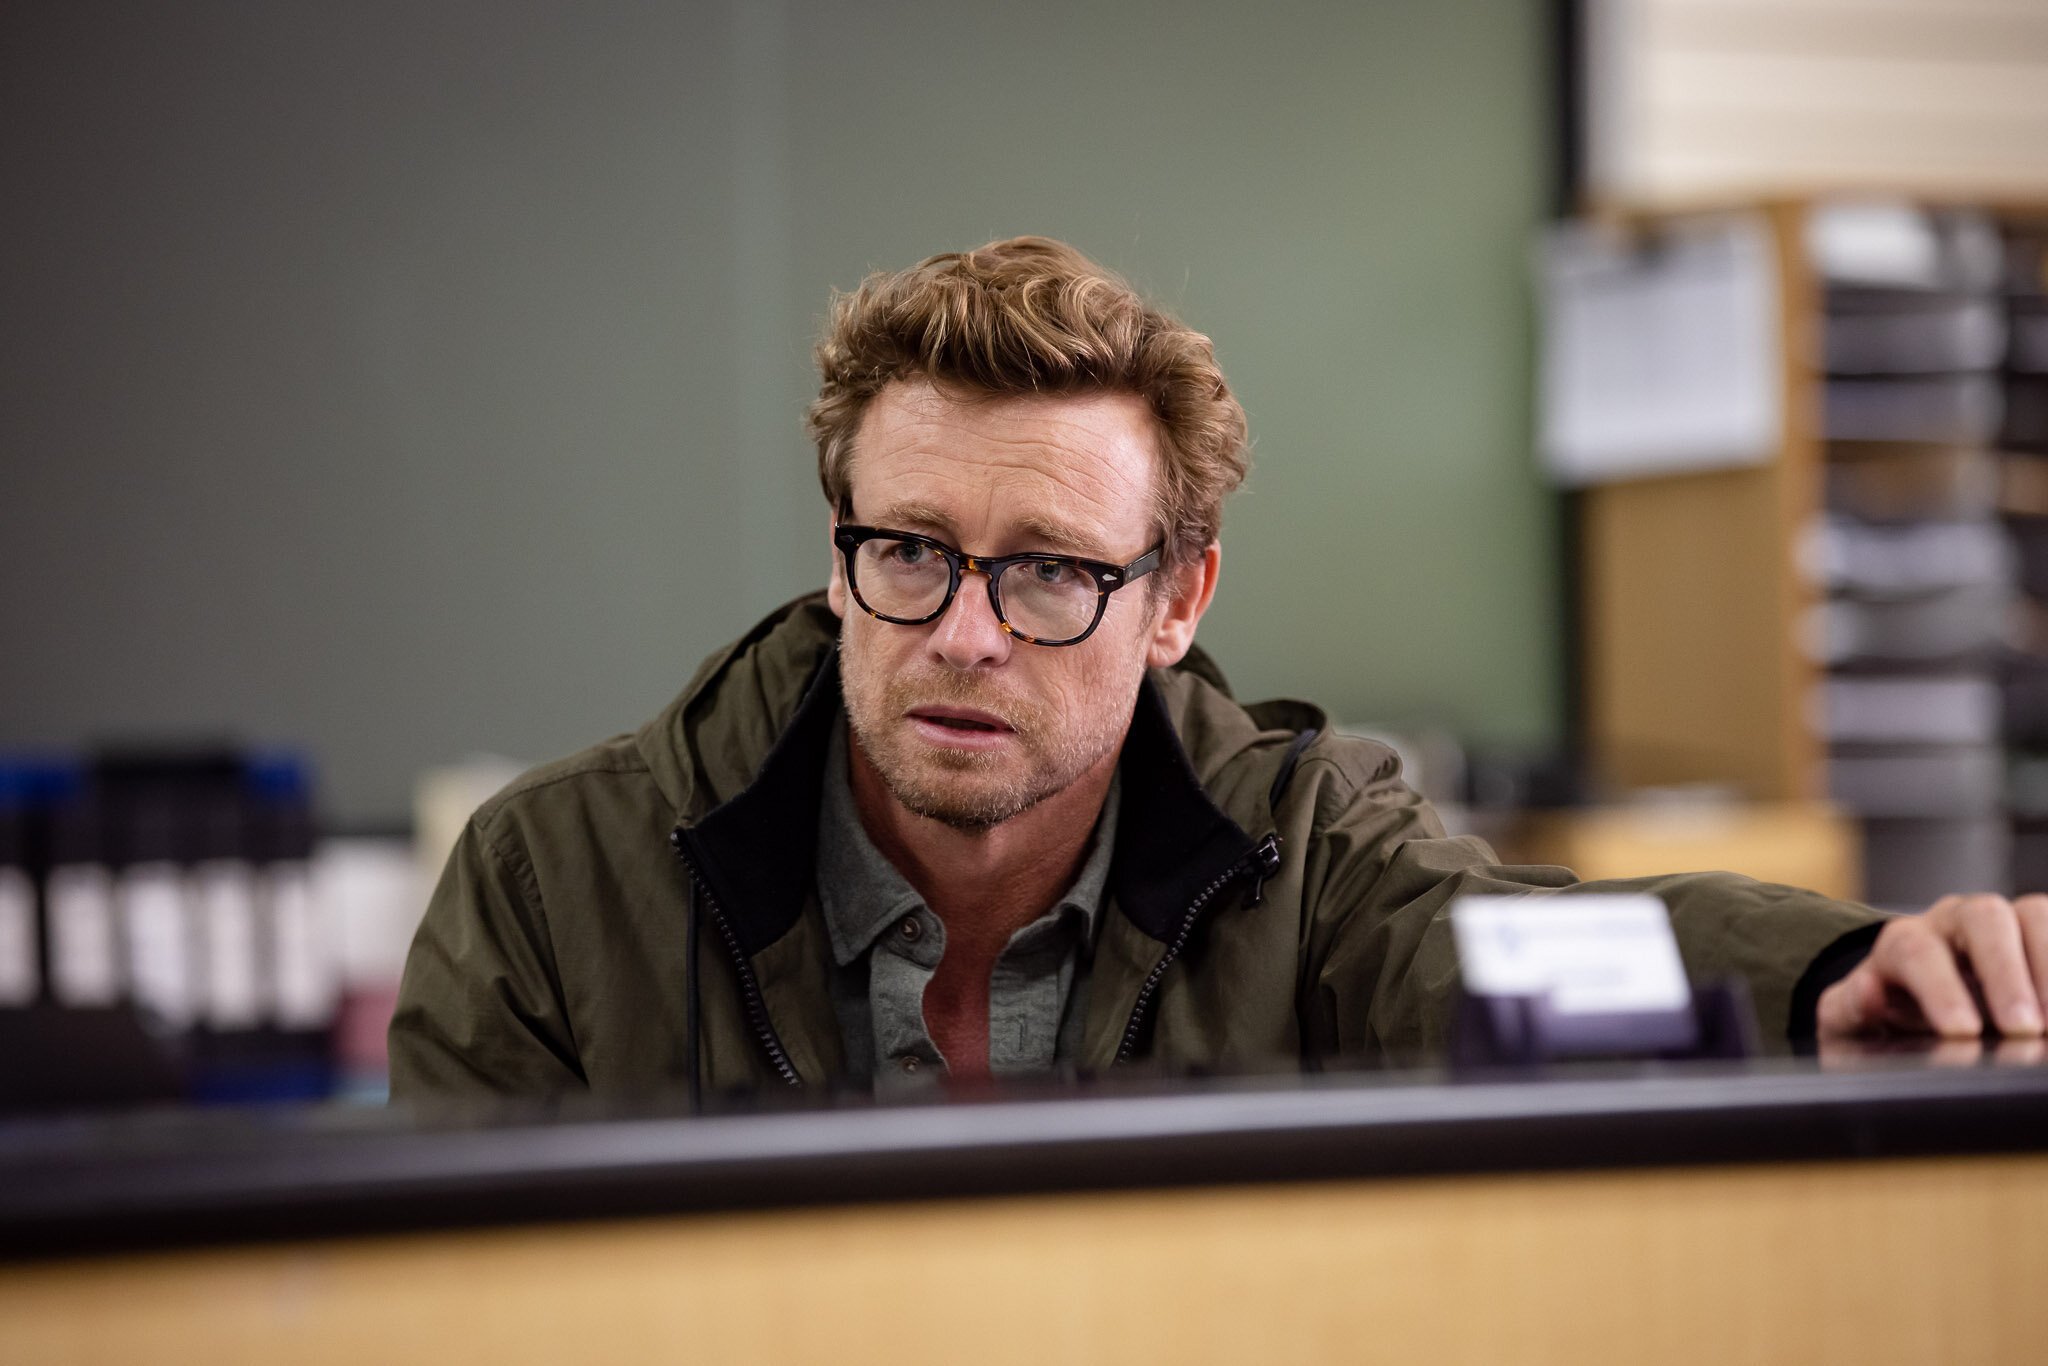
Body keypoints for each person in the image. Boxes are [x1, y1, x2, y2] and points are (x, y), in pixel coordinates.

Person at [389, 237, 2048, 1098]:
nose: (962, 631)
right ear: (839, 558)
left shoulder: (1306, 855)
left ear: (1177, 597)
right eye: (909, 551)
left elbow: (1535, 951)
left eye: (1050, 571)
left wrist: (1839, 971)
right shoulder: (552, 884)